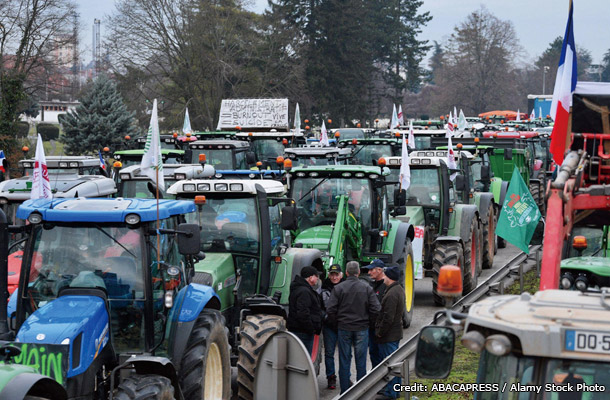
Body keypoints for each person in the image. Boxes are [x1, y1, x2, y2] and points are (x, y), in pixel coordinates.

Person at [326, 261, 381, 394]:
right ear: (358, 273)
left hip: (344, 327)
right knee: (361, 360)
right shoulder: (366, 288)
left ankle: (345, 391)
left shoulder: (338, 288)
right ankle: (361, 392)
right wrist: (369, 322)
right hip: (362, 327)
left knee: (344, 360)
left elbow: (330, 309)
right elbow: (376, 309)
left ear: (345, 273)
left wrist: (337, 323)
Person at [375, 265, 405, 400]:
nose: (384, 278)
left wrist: (380, 332)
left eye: (385, 275)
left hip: (389, 336)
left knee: (391, 365)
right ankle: (395, 391)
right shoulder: (397, 289)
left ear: (390, 278)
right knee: (395, 364)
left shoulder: (392, 294)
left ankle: (391, 393)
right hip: (394, 334)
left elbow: (388, 317)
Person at [287, 266, 323, 354]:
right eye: (316, 276)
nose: (318, 279)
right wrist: (311, 329)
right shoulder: (304, 291)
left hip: (299, 330)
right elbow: (303, 313)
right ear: (310, 278)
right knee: (304, 360)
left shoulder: (298, 288)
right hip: (303, 332)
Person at [321, 264, 343, 390]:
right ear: (329, 275)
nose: (334, 277)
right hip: (329, 326)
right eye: (332, 274)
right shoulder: (323, 289)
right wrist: (326, 318)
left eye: (336, 274)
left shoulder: (346, 287)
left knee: (344, 353)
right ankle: (331, 377)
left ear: (341, 275)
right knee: (329, 353)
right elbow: (320, 308)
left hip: (343, 325)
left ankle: (345, 376)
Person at [367, 259, 386, 368]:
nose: (369, 273)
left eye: (372, 270)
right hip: (372, 327)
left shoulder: (386, 286)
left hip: (381, 328)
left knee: (382, 355)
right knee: (373, 353)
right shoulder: (372, 285)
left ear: (379, 270)